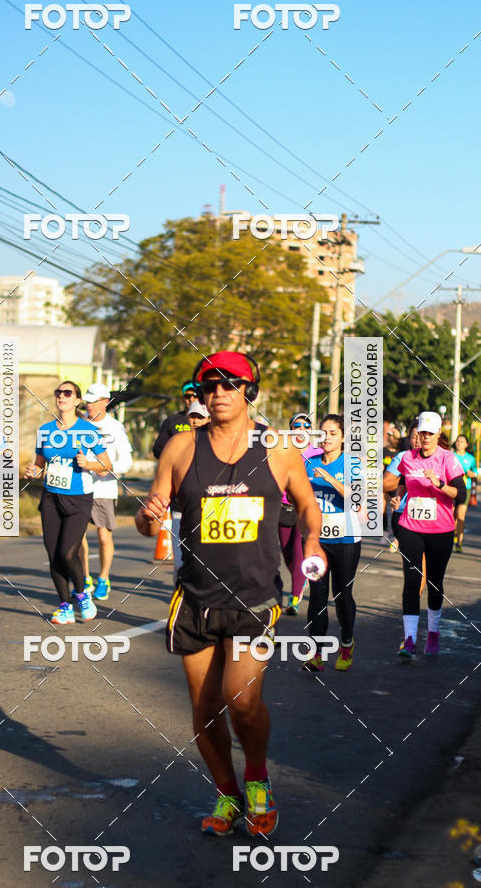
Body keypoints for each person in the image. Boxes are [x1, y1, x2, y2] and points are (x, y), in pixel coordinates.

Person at [135, 350, 324, 837]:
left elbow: (306, 504)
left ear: (249, 391)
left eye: (229, 385)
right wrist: (148, 515)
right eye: (208, 386)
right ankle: (228, 793)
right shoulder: (180, 449)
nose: (217, 393)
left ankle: (257, 778)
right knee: (204, 708)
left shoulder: (278, 449)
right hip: (196, 599)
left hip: (254, 599)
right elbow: (145, 518)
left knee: (240, 699)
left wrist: (313, 540)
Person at [24, 381, 111, 625]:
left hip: (78, 499)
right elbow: (40, 463)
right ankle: (64, 605)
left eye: (67, 393)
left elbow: (106, 466)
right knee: (53, 555)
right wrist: (34, 470)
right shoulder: (45, 430)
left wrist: (89, 464)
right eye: (58, 393)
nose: (61, 396)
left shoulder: (88, 431)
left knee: (67, 552)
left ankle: (82, 594)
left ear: (77, 401)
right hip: (51, 497)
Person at [383, 411, 465, 657]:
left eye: (431, 433)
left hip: (440, 530)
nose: (426, 437)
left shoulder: (448, 460)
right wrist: (396, 497)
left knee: (435, 583)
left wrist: (440, 484)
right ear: (417, 433)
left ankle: (433, 632)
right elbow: (401, 483)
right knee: (411, 580)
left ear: (438, 434)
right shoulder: (407, 458)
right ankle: (408, 640)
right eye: (422, 432)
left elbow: (460, 494)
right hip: (410, 527)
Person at [303, 414, 361, 671]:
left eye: (333, 433)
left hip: (346, 538)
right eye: (323, 432)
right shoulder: (309, 463)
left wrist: (330, 479)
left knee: (342, 594)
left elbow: (358, 502)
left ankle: (346, 643)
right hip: (317, 540)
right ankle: (316, 653)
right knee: (316, 595)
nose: (326, 437)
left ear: (343, 437)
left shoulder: (352, 464)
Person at [79, 382, 133, 600]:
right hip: (80, 486)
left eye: (93, 402)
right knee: (77, 535)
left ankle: (103, 578)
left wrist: (107, 469)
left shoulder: (115, 427)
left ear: (105, 402)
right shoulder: (79, 425)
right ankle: (84, 577)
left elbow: (126, 461)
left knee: (103, 535)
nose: (89, 406)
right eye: (87, 402)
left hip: (104, 487)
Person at [153, 379, 197, 576]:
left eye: (196, 395)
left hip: (208, 498)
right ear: (183, 398)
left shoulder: (213, 421)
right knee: (180, 558)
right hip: (179, 497)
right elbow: (158, 450)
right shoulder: (173, 422)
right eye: (188, 396)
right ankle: (181, 599)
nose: (192, 399)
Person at [282, 412, 324, 616]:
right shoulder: (282, 450)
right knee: (287, 554)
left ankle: (295, 597)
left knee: (300, 553)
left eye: (306, 426)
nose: (301, 430)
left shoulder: (318, 453)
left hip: (306, 509)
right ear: (290, 429)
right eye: (296, 426)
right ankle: (301, 581)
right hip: (282, 508)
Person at [386, 421, 420, 554]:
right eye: (413, 436)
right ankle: (396, 539)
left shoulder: (441, 458)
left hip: (429, 516)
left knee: (423, 559)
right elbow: (386, 482)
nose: (417, 440)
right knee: (411, 559)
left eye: (420, 435)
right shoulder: (403, 457)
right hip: (403, 512)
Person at [452, 435, 477, 553]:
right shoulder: (450, 456)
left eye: (462, 442)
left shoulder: (470, 458)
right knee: (452, 514)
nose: (459, 443)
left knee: (460, 515)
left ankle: (459, 543)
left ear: (466, 445)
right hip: (451, 488)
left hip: (465, 488)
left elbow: (475, 473)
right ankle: (453, 534)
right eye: (458, 441)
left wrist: (470, 473)